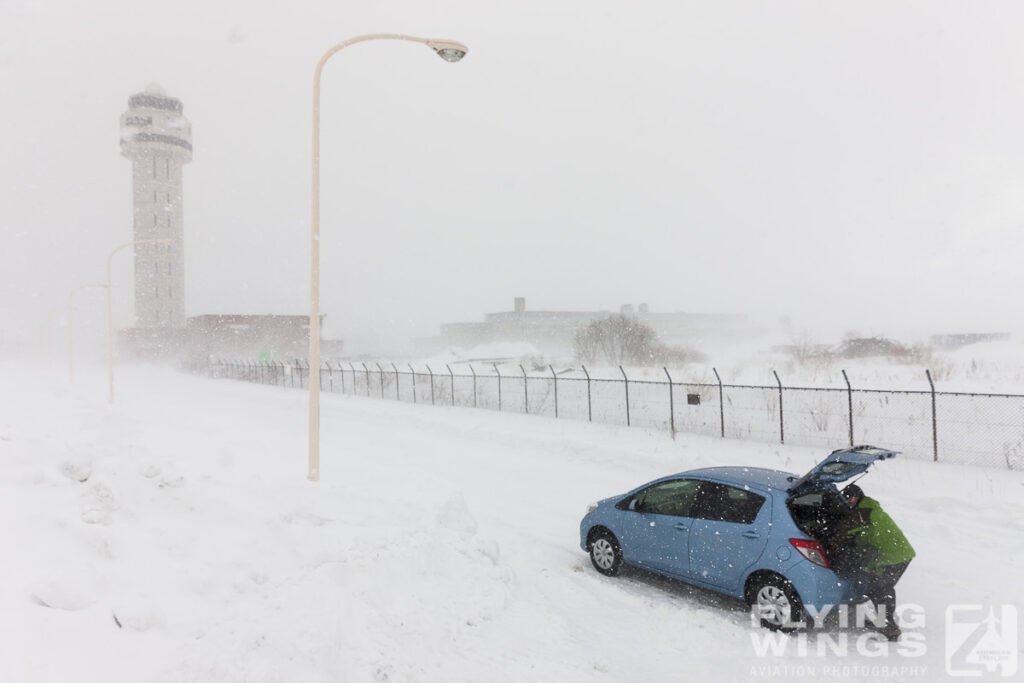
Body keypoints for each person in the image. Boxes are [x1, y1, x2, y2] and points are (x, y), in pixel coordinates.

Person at [842, 483, 916, 641]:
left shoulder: (864, 511)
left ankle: (890, 629)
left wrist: (841, 534)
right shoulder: (866, 507)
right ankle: (886, 623)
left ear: (858, 496)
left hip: (895, 556)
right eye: (846, 498)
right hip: (895, 554)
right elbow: (866, 536)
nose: (849, 500)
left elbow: (856, 529)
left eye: (851, 497)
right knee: (879, 588)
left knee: (880, 589)